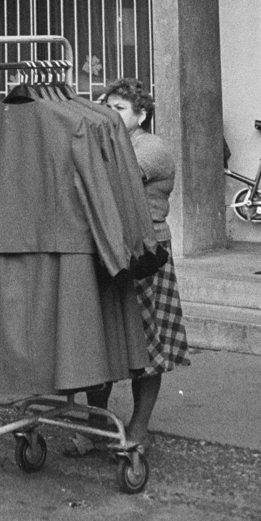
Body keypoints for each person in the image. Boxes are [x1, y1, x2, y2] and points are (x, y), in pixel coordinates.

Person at [76, 77, 189, 452]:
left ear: (142, 114)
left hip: (144, 256)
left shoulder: (151, 147)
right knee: (102, 343)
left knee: (147, 349)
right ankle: (96, 426)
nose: (110, 113)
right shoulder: (105, 143)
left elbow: (110, 180)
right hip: (109, 253)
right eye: (106, 106)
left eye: (119, 108)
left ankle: (138, 428)